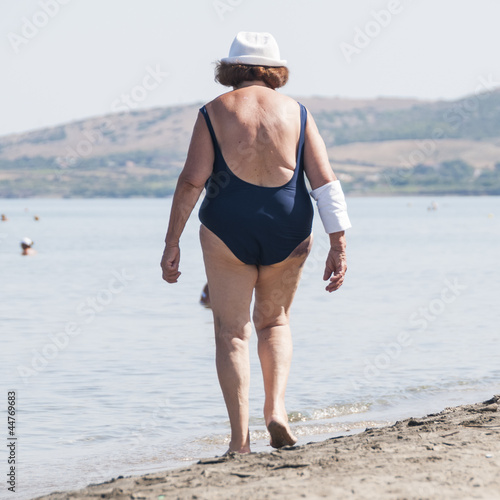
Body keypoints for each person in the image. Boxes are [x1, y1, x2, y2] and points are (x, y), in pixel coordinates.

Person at [161, 32, 351, 454]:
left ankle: (239, 442)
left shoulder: (214, 112)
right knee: (275, 323)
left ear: (230, 69)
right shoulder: (298, 113)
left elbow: (192, 180)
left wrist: (171, 241)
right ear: (274, 69)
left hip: (228, 228)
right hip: (289, 228)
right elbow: (325, 182)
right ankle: (277, 411)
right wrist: (338, 243)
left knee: (232, 332)